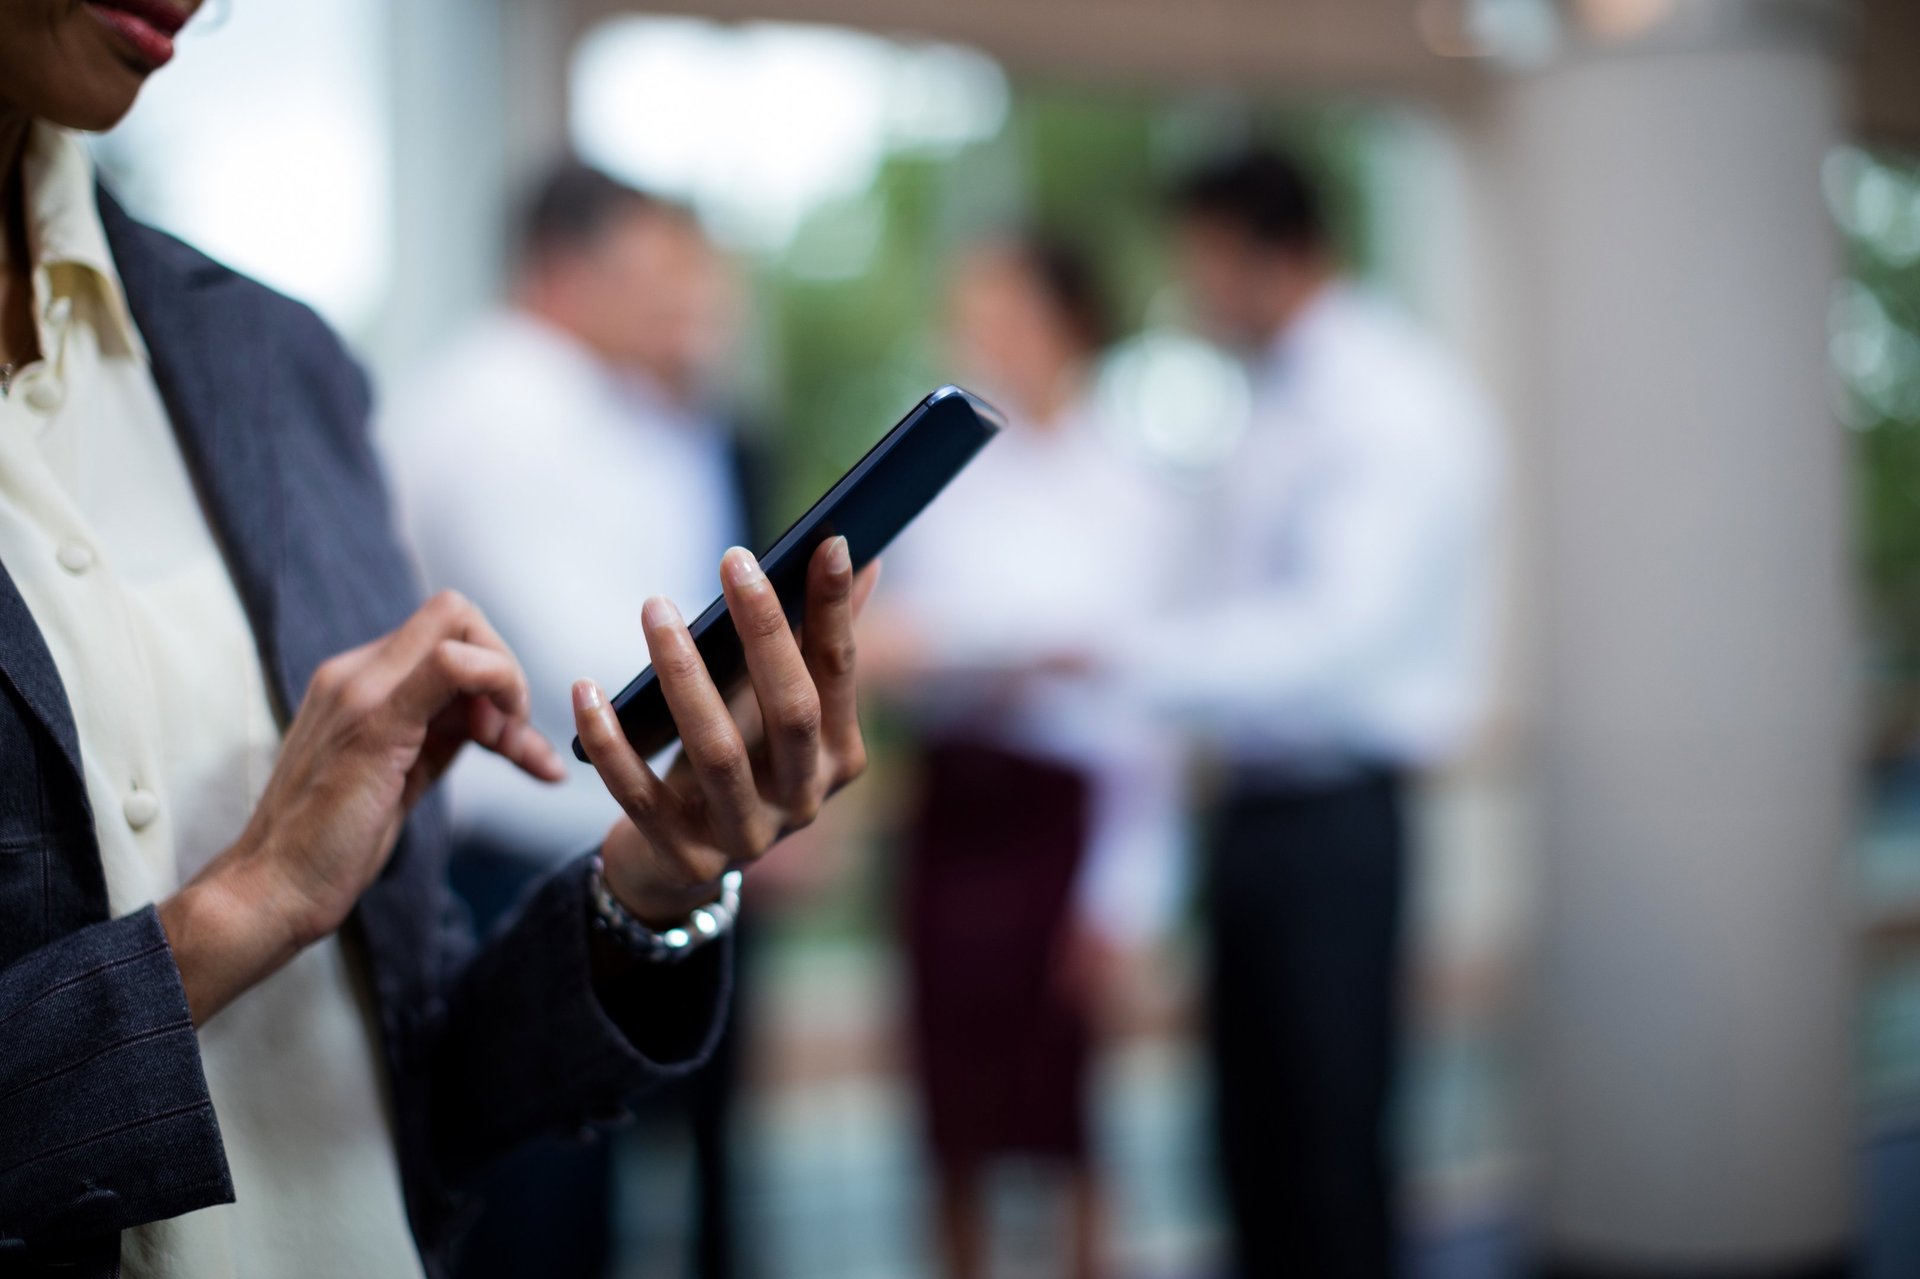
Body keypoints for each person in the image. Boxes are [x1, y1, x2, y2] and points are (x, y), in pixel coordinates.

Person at [0, 8, 877, 1278]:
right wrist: (240, 907)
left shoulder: (280, 363)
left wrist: (650, 884)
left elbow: (409, 1068)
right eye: (659, 273)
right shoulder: (492, 404)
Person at [1107, 149, 1500, 1277]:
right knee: (1248, 1146)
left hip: (1336, 821)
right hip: (1256, 813)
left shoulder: (1393, 397)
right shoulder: (1272, 398)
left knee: (1330, 1150)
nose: (1192, 293)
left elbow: (1336, 638)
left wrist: (1129, 659)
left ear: (1267, 254)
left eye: (1201, 263)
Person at [383, 163, 767, 1279]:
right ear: (566, 266)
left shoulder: (587, 405)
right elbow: (603, 668)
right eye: (644, 270)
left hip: (553, 857)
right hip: (505, 869)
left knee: (573, 1210)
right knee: (534, 1219)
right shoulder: (506, 405)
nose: (669, 298)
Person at [865, 236, 1188, 1279]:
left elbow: (1144, 706)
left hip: (1068, 816)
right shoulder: (941, 475)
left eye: (1004, 313)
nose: (981, 336)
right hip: (957, 806)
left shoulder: (1132, 488)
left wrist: (1131, 890)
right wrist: (1008, 648)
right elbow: (885, 645)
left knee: (1069, 1113)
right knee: (949, 1116)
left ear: (1067, 322)